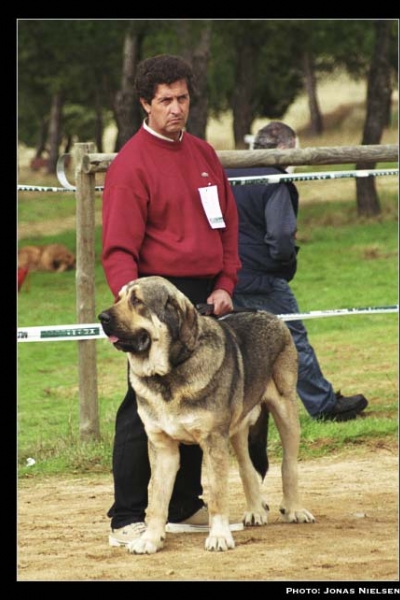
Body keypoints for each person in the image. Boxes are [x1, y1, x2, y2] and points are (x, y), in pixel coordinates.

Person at [101, 54, 242, 547]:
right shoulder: (130, 164)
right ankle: (125, 517)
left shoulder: (204, 155)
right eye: (165, 101)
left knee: (202, 401)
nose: (176, 108)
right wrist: (130, 311)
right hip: (154, 305)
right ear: (145, 103)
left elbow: (227, 224)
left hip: (204, 300)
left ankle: (184, 505)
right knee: (143, 407)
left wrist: (226, 282)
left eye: (182, 98)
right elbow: (118, 249)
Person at [227, 121, 368, 422]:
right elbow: (280, 236)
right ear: (284, 149)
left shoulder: (228, 171)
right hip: (262, 277)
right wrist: (285, 265)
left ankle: (239, 411)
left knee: (236, 343)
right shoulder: (274, 180)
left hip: (225, 275)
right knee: (291, 340)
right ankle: (324, 405)